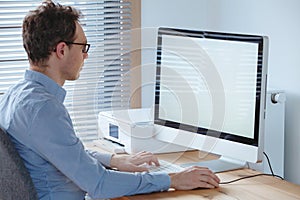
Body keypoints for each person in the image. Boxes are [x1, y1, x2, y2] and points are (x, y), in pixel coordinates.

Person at [0, 1, 220, 199]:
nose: (86, 55)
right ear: (61, 50)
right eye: (83, 47)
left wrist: (115, 160)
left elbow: (67, 153)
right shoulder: (45, 109)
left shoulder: (16, 96)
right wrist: (173, 180)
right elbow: (100, 184)